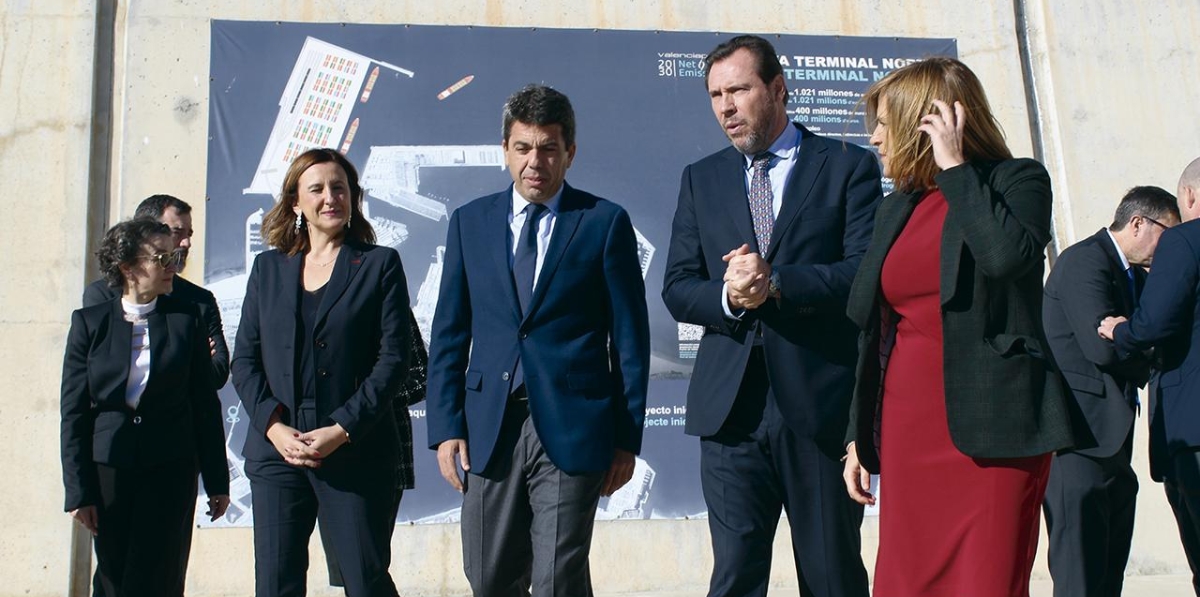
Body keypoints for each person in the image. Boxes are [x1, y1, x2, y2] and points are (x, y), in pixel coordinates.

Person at [841, 56, 1073, 597]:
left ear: (929, 122)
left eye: (884, 122)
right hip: (908, 423)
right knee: (906, 581)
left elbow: (1006, 260)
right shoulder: (896, 207)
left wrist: (956, 170)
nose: (874, 137)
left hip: (995, 424)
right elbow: (874, 330)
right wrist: (859, 436)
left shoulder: (1017, 181)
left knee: (985, 581)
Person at [661, 35, 880, 597]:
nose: (725, 107)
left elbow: (862, 273)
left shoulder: (847, 166)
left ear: (778, 88)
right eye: (715, 95)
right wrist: (732, 295)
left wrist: (777, 283)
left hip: (818, 409)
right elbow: (679, 287)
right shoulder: (700, 177)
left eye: (738, 89)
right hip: (730, 414)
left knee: (831, 576)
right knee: (734, 578)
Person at [426, 84, 650, 597]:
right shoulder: (469, 223)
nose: (535, 162)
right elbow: (449, 333)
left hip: (574, 427)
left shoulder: (604, 222)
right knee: (487, 575)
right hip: (490, 427)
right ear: (505, 149)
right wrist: (445, 426)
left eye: (548, 148)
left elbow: (631, 343)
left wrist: (625, 438)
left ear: (569, 152)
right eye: (523, 147)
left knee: (556, 577)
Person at [231, 148, 411, 597]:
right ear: (296, 202)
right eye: (317, 189)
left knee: (364, 580)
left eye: (340, 188)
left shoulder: (379, 265)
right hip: (278, 451)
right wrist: (274, 428)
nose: (330, 197)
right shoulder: (267, 269)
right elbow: (245, 361)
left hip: (356, 447)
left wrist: (341, 429)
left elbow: (393, 362)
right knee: (275, 585)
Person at [61, 217, 230, 596]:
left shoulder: (187, 322)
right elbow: (74, 412)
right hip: (109, 468)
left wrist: (218, 479)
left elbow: (205, 404)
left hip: (171, 466)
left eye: (174, 256)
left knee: (160, 575)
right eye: (161, 257)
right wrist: (78, 490)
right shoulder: (89, 324)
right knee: (113, 577)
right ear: (128, 267)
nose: (172, 266)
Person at [1042, 186, 1179, 597]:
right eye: (1166, 235)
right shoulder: (1087, 261)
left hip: (1113, 446)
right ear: (1138, 223)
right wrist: (1147, 347)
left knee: (1106, 576)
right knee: (1079, 577)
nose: (1169, 249)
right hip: (1079, 444)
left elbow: (1139, 338)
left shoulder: (1132, 274)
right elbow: (1103, 347)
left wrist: (1135, 338)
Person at [1100, 157, 1200, 592]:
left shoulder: (1185, 240)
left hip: (1193, 429)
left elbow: (1154, 323)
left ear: (1190, 196)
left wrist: (1122, 330)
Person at [83, 194, 230, 388]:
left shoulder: (199, 301)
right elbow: (104, 371)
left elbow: (218, 373)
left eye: (189, 234)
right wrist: (191, 353)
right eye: (177, 232)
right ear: (147, 232)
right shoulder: (103, 296)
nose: (187, 243)